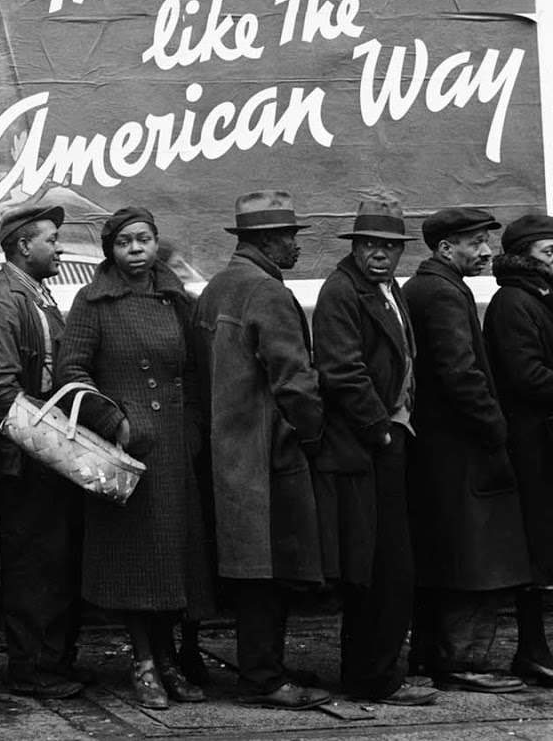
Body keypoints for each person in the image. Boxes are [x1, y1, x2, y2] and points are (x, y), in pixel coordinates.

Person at [56, 206, 211, 711]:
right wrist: (116, 423)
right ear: (110, 251)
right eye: (125, 242)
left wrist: (189, 430)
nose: (137, 250)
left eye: (144, 239)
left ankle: (166, 658)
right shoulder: (93, 302)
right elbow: (72, 373)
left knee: (171, 565)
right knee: (135, 564)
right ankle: (143, 662)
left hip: (171, 450)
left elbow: (192, 371)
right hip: (125, 456)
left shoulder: (174, 299)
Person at [194, 192, 331, 710]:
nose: (296, 243)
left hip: (228, 452)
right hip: (269, 455)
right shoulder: (266, 292)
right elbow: (295, 381)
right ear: (268, 240)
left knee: (252, 568)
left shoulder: (217, 287)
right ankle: (263, 679)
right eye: (290, 235)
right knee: (270, 570)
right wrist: (312, 435)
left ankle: (264, 668)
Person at [309, 199, 437, 706]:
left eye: (390, 247)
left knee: (390, 564)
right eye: (371, 245)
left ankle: (377, 670)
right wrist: (380, 429)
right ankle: (373, 677)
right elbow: (340, 370)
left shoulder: (387, 289)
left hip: (391, 438)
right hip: (365, 447)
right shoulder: (342, 292)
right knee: (379, 565)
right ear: (356, 247)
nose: (381, 255)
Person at [404, 207, 529, 692]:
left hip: (439, 448)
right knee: (471, 558)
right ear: (445, 249)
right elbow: (461, 374)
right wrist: (495, 428)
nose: (486, 251)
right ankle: (461, 662)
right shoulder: (443, 293)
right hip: (461, 449)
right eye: (475, 243)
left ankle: (434, 656)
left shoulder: (425, 286)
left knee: (447, 554)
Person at [0, 203, 85, 700]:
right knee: (33, 565)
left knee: (54, 560)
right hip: (28, 460)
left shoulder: (36, 294)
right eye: (52, 238)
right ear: (24, 245)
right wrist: (57, 434)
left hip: (48, 455)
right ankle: (32, 669)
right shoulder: (2, 301)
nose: (59, 247)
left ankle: (51, 662)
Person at [482, 213, 553, 687]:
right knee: (537, 549)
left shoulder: (541, 299)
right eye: (548, 252)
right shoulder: (512, 303)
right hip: (533, 445)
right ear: (523, 255)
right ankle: (532, 649)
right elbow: (525, 376)